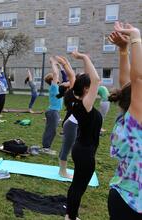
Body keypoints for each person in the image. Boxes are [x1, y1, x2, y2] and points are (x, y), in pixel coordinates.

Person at [107, 22, 142, 220]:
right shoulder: (137, 123)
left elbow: (127, 83)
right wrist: (136, 38)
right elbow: (137, 81)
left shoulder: (129, 120)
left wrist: (123, 51)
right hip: (132, 206)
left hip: (121, 197)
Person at [64, 51, 102, 220]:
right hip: (85, 152)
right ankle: (71, 217)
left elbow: (89, 79)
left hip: (81, 149)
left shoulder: (74, 98)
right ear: (86, 89)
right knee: (79, 187)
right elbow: (96, 80)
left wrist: (82, 60)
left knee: (76, 185)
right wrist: (84, 57)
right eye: (92, 87)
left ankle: (70, 215)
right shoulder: (84, 105)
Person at [54, 56, 77, 179]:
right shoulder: (73, 94)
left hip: (70, 123)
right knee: (67, 147)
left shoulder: (71, 93)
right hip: (71, 124)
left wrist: (65, 64)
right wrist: (64, 64)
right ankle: (62, 171)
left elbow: (70, 76)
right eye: (66, 82)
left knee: (66, 146)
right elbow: (72, 76)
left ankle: (62, 169)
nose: (66, 81)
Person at [41, 57, 63, 155]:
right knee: (51, 130)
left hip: (54, 112)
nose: (58, 78)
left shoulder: (57, 87)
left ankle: (46, 147)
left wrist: (60, 66)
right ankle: (46, 148)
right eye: (56, 78)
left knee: (51, 130)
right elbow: (55, 74)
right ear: (52, 80)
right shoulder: (54, 87)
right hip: (53, 112)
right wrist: (53, 63)